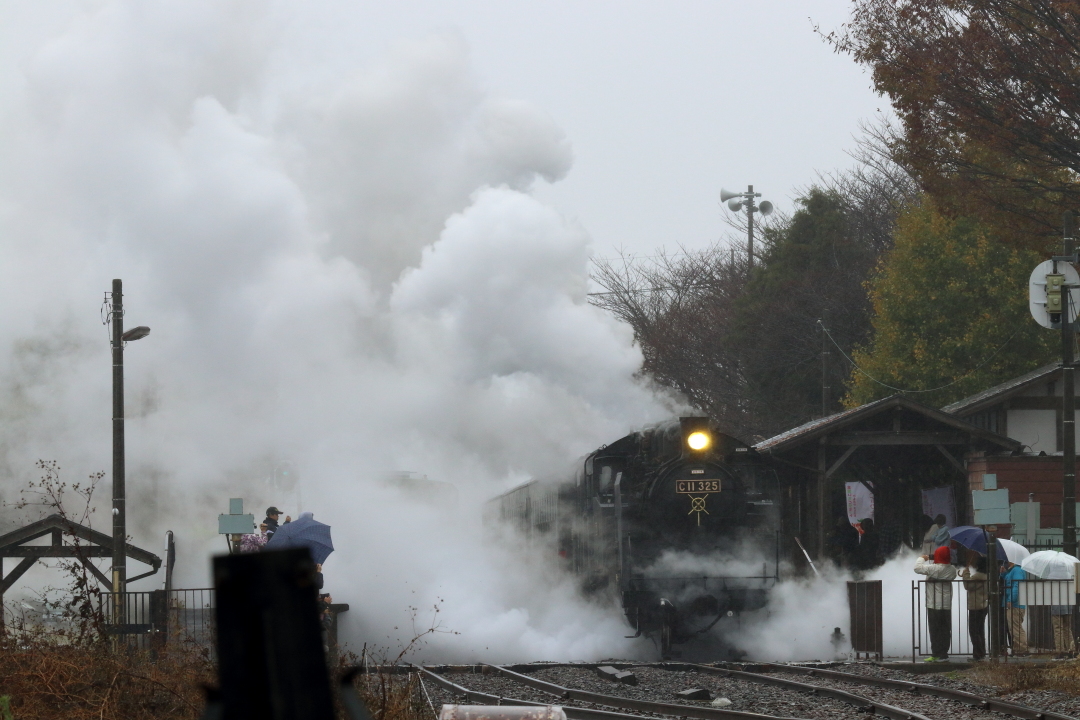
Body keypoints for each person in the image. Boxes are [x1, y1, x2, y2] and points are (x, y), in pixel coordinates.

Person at [915, 545, 956, 661]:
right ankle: (944, 653)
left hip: (933, 603)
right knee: (945, 629)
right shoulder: (952, 570)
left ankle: (936, 653)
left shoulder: (934, 569)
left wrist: (923, 558)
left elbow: (917, 568)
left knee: (935, 629)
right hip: (946, 604)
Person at [961, 556, 989, 660]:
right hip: (983, 606)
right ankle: (981, 652)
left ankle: (978, 654)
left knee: (974, 631)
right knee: (980, 630)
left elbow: (968, 585)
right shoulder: (986, 576)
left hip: (975, 607)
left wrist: (966, 573)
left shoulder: (978, 576)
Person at [1002, 560, 1028, 656]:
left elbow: (1016, 585)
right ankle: (1018, 650)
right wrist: (1003, 574)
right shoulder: (1013, 570)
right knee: (1014, 628)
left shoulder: (1016, 570)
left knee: (1016, 628)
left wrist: (1010, 600)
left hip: (1015, 605)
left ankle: (1022, 649)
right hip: (1015, 604)